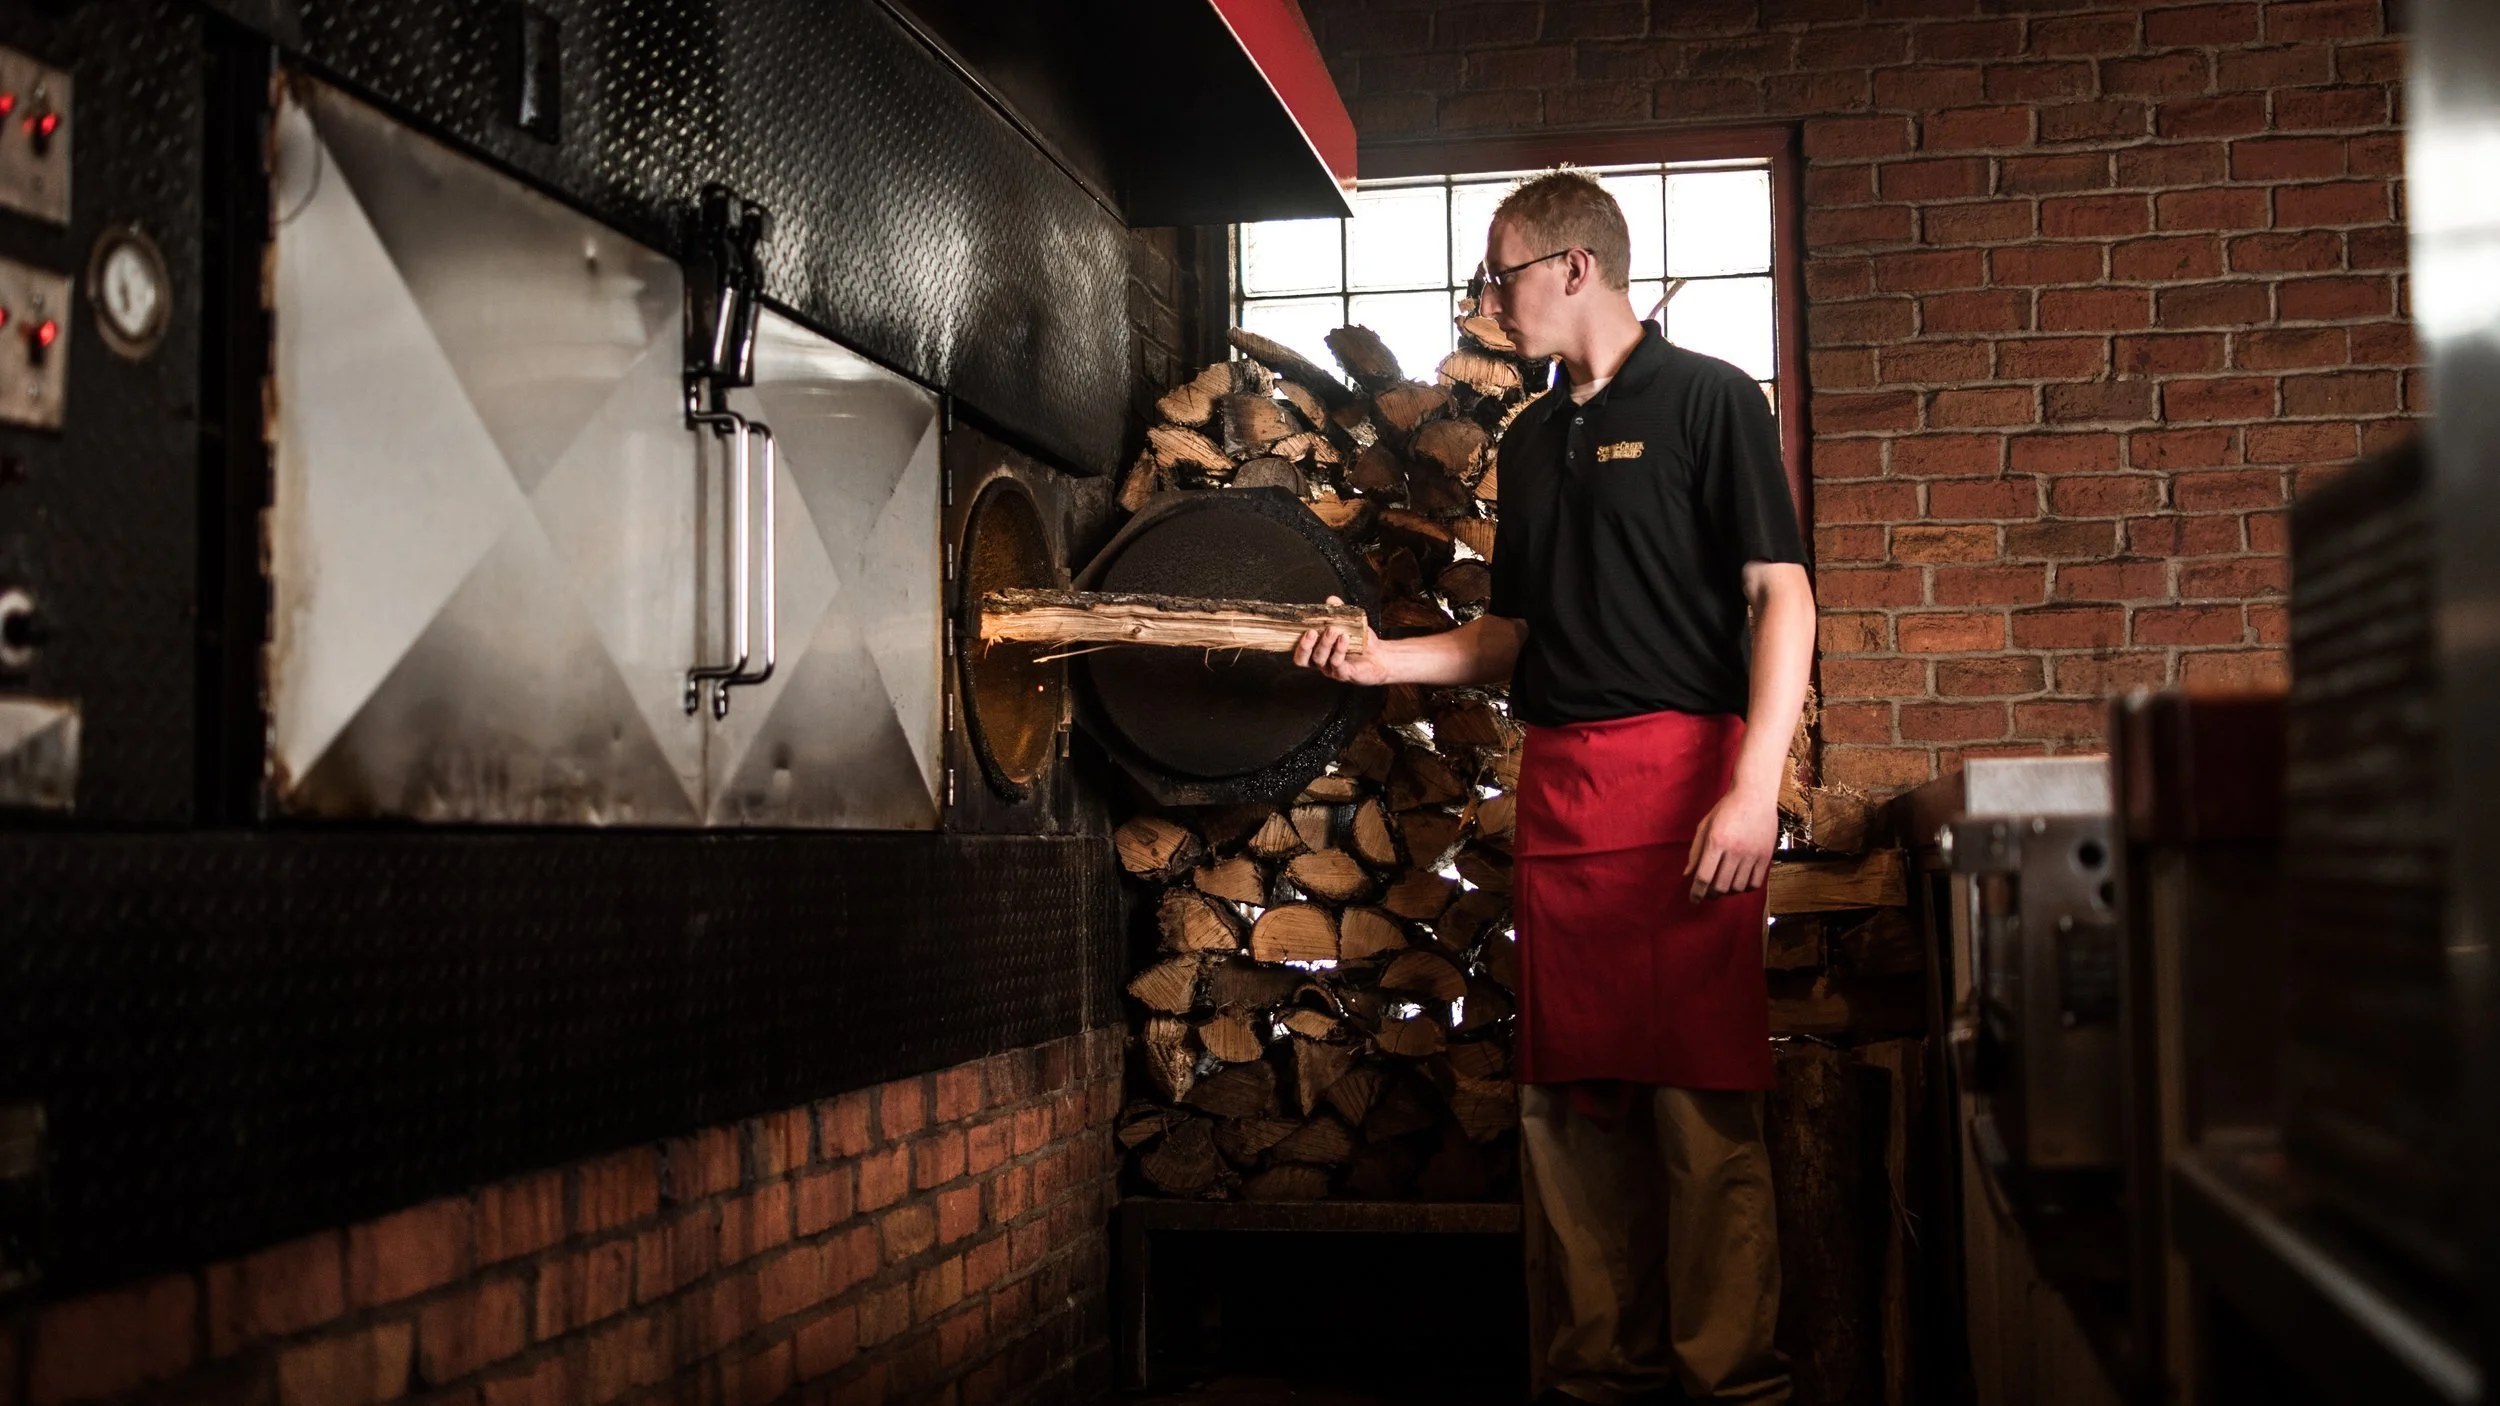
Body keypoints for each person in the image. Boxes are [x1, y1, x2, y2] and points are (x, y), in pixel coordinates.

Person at [1294, 169, 1815, 1405]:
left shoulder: (1707, 397)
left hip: (1690, 791)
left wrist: (1753, 788)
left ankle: (1731, 1385)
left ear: (1574, 266)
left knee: (1701, 1112)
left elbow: (1780, 593)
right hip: (1565, 798)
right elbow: (1508, 637)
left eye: (1499, 274)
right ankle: (1595, 1382)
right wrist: (1375, 656)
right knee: (1568, 1118)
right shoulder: (1528, 439)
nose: (1485, 301)